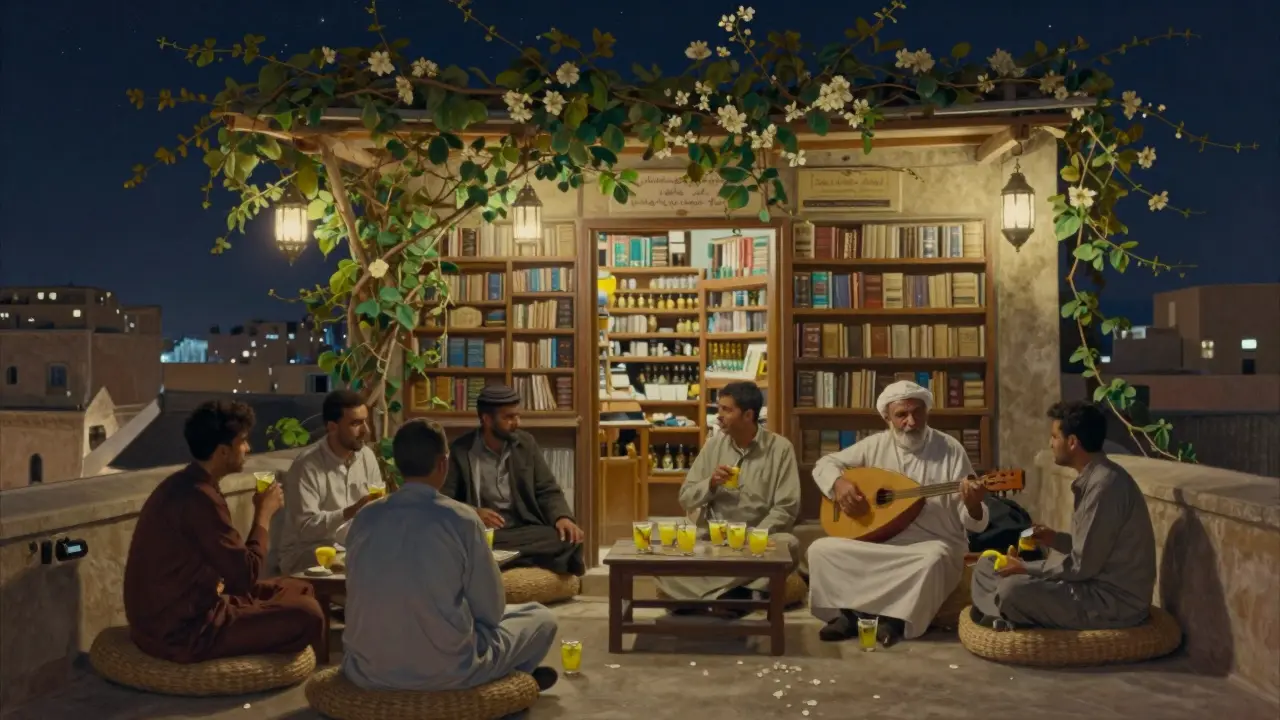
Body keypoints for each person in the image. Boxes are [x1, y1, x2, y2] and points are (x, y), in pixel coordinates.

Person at [342, 419, 560, 693]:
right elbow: (491, 612)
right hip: (446, 670)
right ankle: (511, 676)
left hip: (367, 669)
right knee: (540, 618)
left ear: (397, 465)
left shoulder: (364, 518)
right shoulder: (461, 519)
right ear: (443, 463)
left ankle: (510, 671)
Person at [123, 400, 325, 663]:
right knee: (308, 614)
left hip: (186, 609)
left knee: (300, 588)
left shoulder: (185, 485)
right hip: (183, 631)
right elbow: (245, 577)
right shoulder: (199, 498)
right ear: (222, 452)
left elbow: (231, 573)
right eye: (242, 441)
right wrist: (263, 513)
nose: (248, 449)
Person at [806, 380, 988, 646]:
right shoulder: (874, 446)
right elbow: (824, 463)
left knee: (933, 559)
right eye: (902, 414)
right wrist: (839, 483)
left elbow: (973, 520)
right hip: (879, 542)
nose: (911, 422)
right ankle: (850, 615)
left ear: (927, 412)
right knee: (820, 550)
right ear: (887, 417)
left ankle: (889, 620)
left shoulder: (950, 449)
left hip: (930, 545)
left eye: (918, 412)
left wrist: (973, 503)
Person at [970, 401, 1156, 630]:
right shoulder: (1095, 479)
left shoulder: (1104, 487)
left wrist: (1024, 568)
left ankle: (1001, 610)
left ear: (1072, 442)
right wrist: (1054, 538)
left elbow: (1081, 567)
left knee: (1013, 589)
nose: (1050, 444)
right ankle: (1003, 611)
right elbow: (1092, 550)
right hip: (1088, 583)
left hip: (1110, 602)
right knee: (986, 565)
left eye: (1054, 437)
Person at [657, 381, 802, 607]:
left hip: (758, 540)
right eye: (718, 409)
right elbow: (685, 497)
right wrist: (711, 484)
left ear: (748, 415)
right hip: (714, 538)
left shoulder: (780, 449)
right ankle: (739, 594)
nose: (718, 416)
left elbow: (786, 507)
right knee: (662, 555)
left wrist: (753, 536)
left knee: (790, 545)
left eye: (726, 410)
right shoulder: (713, 446)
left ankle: (702, 596)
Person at [441, 385, 585, 576]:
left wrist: (562, 517)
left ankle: (501, 560)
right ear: (487, 419)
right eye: (508, 417)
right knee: (462, 544)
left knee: (567, 539)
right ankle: (513, 559)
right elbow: (443, 500)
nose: (516, 422)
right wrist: (473, 513)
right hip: (486, 533)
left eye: (517, 416)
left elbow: (547, 488)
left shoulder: (526, 444)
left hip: (522, 528)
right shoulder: (461, 451)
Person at [274, 389, 382, 576]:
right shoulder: (307, 465)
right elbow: (306, 528)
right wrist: (351, 511)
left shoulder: (367, 456)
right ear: (332, 427)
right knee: (363, 564)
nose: (366, 430)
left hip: (349, 547)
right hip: (307, 552)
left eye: (365, 421)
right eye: (356, 423)